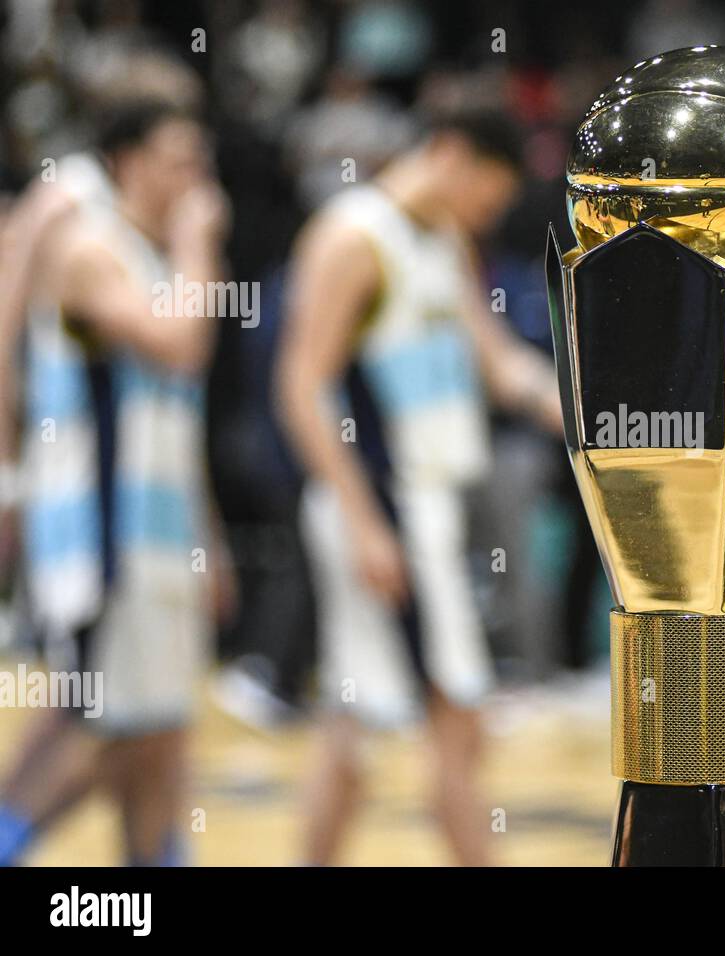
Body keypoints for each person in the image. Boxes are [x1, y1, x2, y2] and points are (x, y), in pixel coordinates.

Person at [276, 109, 561, 865]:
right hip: (381, 506)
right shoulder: (353, 237)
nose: (492, 213)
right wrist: (364, 521)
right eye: (491, 195)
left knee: (355, 726)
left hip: (427, 509)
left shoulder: (442, 237)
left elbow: (496, 362)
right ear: (454, 153)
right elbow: (301, 387)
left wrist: (581, 411)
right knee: (457, 722)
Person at [0, 99, 227, 865]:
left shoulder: (153, 256)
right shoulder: (90, 249)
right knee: (98, 730)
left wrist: (210, 543)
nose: (194, 178)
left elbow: (177, 421)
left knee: (160, 733)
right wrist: (201, 243)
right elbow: (181, 344)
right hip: (103, 543)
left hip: (161, 542)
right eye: (177, 157)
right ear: (126, 159)